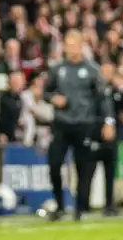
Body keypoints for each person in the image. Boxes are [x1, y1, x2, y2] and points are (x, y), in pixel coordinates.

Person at [42, 29, 117, 219]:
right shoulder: (57, 69)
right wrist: (53, 99)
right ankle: (59, 205)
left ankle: (79, 208)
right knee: (54, 163)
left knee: (82, 167)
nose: (71, 49)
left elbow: (103, 98)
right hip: (61, 124)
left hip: (84, 124)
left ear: (81, 46)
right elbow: (46, 92)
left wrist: (108, 121)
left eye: (74, 45)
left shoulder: (92, 70)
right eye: (68, 45)